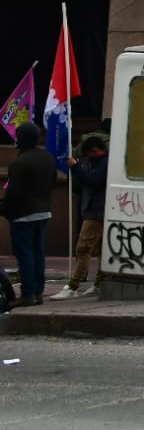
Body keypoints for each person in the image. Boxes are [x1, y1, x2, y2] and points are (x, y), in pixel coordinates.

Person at [2, 122, 58, 307]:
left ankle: (27, 295)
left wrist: (4, 210)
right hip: (44, 213)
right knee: (38, 254)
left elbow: (14, 194)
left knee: (25, 255)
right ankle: (37, 293)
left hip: (23, 215)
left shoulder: (20, 162)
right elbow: (53, 183)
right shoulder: (47, 157)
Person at [50, 131, 109, 300]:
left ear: (96, 150)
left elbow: (94, 182)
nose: (89, 156)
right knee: (99, 250)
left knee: (83, 248)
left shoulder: (103, 163)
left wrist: (75, 167)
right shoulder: (96, 161)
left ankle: (73, 285)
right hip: (94, 209)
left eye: (90, 153)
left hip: (96, 211)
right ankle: (99, 282)